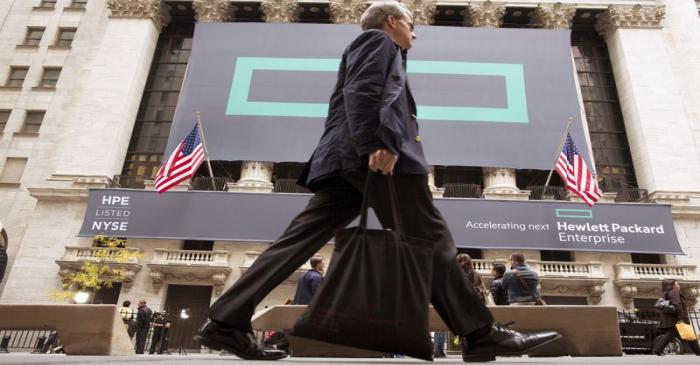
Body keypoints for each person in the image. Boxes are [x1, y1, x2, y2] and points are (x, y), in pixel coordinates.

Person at [194, 2, 560, 361]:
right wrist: (378, 143)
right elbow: (363, 90)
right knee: (430, 238)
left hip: (345, 160)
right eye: (410, 23)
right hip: (372, 158)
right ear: (391, 21)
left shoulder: (383, 48)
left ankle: (226, 319)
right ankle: (481, 334)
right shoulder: (377, 41)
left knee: (297, 241)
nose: (415, 32)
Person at [652, 279, 700, 356]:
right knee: (688, 334)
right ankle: (698, 351)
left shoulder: (667, 293)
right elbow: (677, 305)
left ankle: (658, 350)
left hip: (673, 319)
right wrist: (681, 318)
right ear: (672, 286)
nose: (679, 285)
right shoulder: (674, 292)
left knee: (677, 334)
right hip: (677, 318)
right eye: (677, 284)